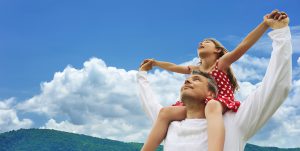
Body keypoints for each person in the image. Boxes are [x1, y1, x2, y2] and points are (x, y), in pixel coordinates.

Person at [137, 10, 292, 151]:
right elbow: (174, 67)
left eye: (207, 42)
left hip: (219, 101)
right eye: (200, 43)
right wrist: (156, 63)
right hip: (201, 104)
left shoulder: (221, 64)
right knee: (165, 112)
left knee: (211, 106)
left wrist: (265, 25)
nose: (201, 43)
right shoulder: (195, 69)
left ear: (217, 50)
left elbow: (243, 45)